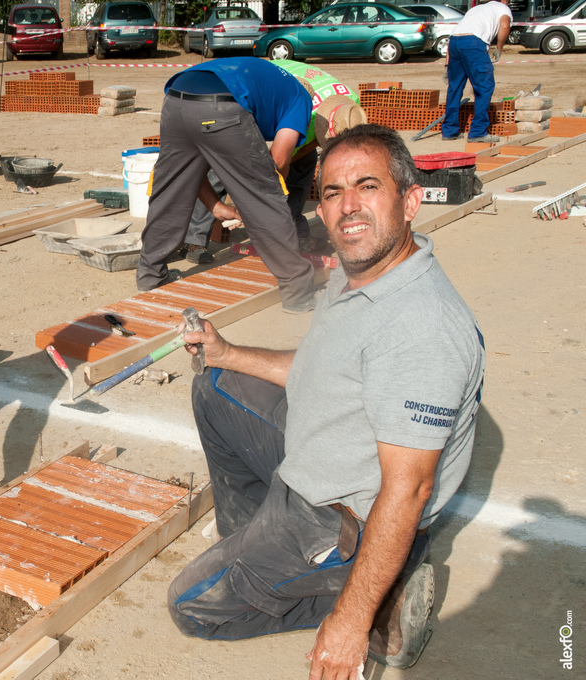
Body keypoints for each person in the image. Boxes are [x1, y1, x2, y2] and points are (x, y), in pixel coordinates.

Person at [167, 125, 485, 675]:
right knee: (215, 386)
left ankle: (379, 601)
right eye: (334, 192)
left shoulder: (421, 329)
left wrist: (350, 622)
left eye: (368, 186)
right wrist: (226, 352)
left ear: (410, 202)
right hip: (321, 452)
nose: (348, 207)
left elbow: (408, 489)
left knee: (191, 606)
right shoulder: (361, 268)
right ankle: (253, 541)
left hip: (339, 514)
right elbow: (321, 371)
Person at [135, 58, 314, 312]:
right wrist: (268, 206)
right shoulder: (301, 98)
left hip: (175, 98)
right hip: (223, 105)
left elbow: (190, 175)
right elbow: (280, 160)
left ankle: (150, 277)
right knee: (266, 196)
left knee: (171, 190)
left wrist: (218, 207)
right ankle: (298, 293)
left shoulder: (270, 83)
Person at [178, 61, 366, 262]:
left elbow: (308, 147)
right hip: (246, 100)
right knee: (223, 166)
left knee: (304, 165)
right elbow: (277, 162)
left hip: (287, 106)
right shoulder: (305, 113)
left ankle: (291, 231)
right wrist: (251, 202)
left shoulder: (350, 110)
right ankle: (193, 240)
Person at [442, 0, 512, 144]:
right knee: (484, 87)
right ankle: (478, 132)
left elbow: (457, 34)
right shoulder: (503, 8)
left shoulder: (476, 9)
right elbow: (505, 25)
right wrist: (499, 48)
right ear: (504, 1)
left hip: (454, 42)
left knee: (454, 87)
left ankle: (450, 131)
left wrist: (447, 65)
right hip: (473, 43)